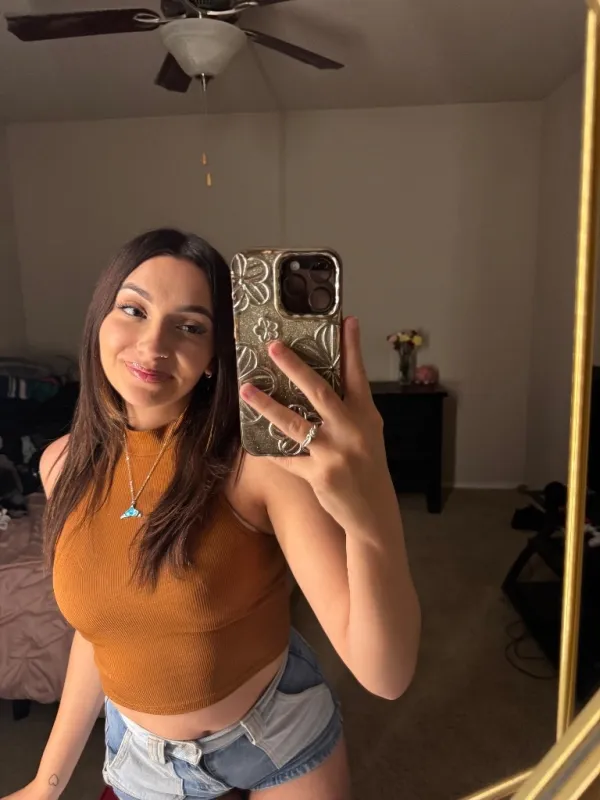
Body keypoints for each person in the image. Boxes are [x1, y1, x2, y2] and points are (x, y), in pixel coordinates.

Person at [3, 229, 420, 800]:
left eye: (191, 326)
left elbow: (386, 676)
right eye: (134, 310)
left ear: (212, 357)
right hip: (140, 761)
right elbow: (100, 632)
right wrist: (45, 783)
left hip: (275, 737)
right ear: (100, 319)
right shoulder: (61, 465)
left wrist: (373, 512)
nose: (153, 344)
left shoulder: (258, 465)